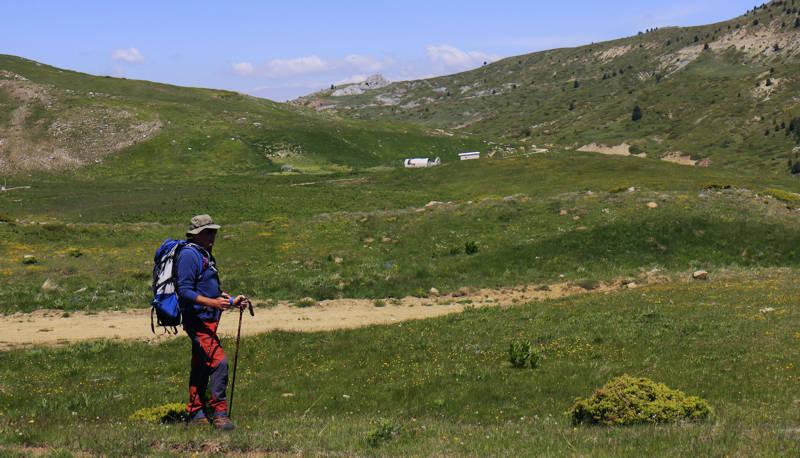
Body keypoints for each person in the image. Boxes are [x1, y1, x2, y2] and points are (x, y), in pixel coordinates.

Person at [177, 214, 249, 430]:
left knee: (200, 366)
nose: (213, 236)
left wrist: (231, 301)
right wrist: (214, 303)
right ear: (196, 234)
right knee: (219, 363)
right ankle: (219, 415)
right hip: (197, 321)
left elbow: (212, 290)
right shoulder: (190, 255)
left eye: (214, 231)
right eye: (209, 232)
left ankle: (197, 414)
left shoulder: (205, 254)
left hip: (208, 320)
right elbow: (184, 291)